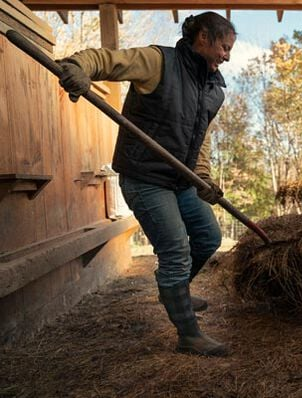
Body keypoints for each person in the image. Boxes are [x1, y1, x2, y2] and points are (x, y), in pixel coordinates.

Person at [58, 12, 236, 357]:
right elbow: (106, 59)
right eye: (224, 47)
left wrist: (203, 180)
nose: (227, 55)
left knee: (208, 237)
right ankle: (189, 335)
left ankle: (176, 290)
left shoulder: (214, 90)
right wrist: (78, 67)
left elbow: (201, 142)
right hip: (146, 178)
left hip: (181, 180)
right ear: (204, 38)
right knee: (175, 252)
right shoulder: (158, 62)